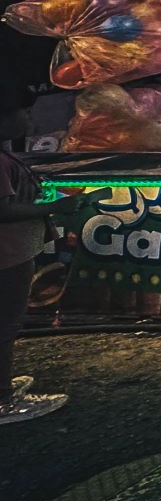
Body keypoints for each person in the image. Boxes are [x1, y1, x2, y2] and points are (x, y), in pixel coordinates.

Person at [0, 126, 67, 424]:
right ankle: (3, 401)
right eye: (22, 111)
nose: (27, 117)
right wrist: (54, 207)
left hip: (13, 252)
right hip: (7, 254)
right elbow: (3, 210)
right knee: (5, 325)